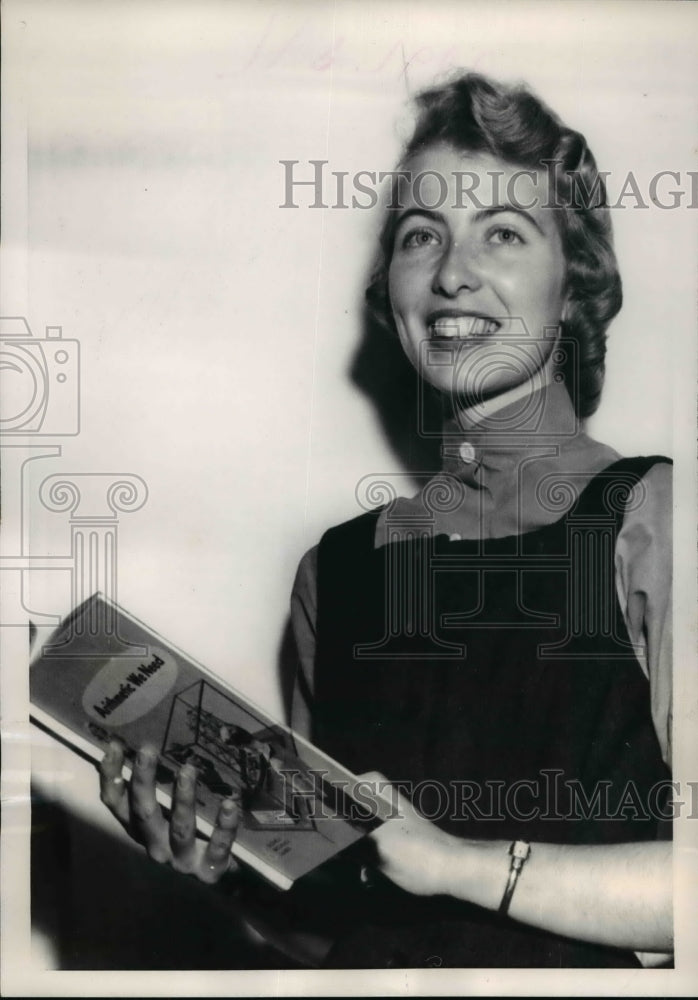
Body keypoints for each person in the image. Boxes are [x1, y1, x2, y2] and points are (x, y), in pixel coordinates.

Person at [100, 71, 673, 969]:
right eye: (421, 237)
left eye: (505, 234)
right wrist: (225, 866)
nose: (453, 274)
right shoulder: (338, 570)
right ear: (394, 291)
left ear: (574, 287)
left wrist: (463, 866)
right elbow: (338, 919)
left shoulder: (655, 516)